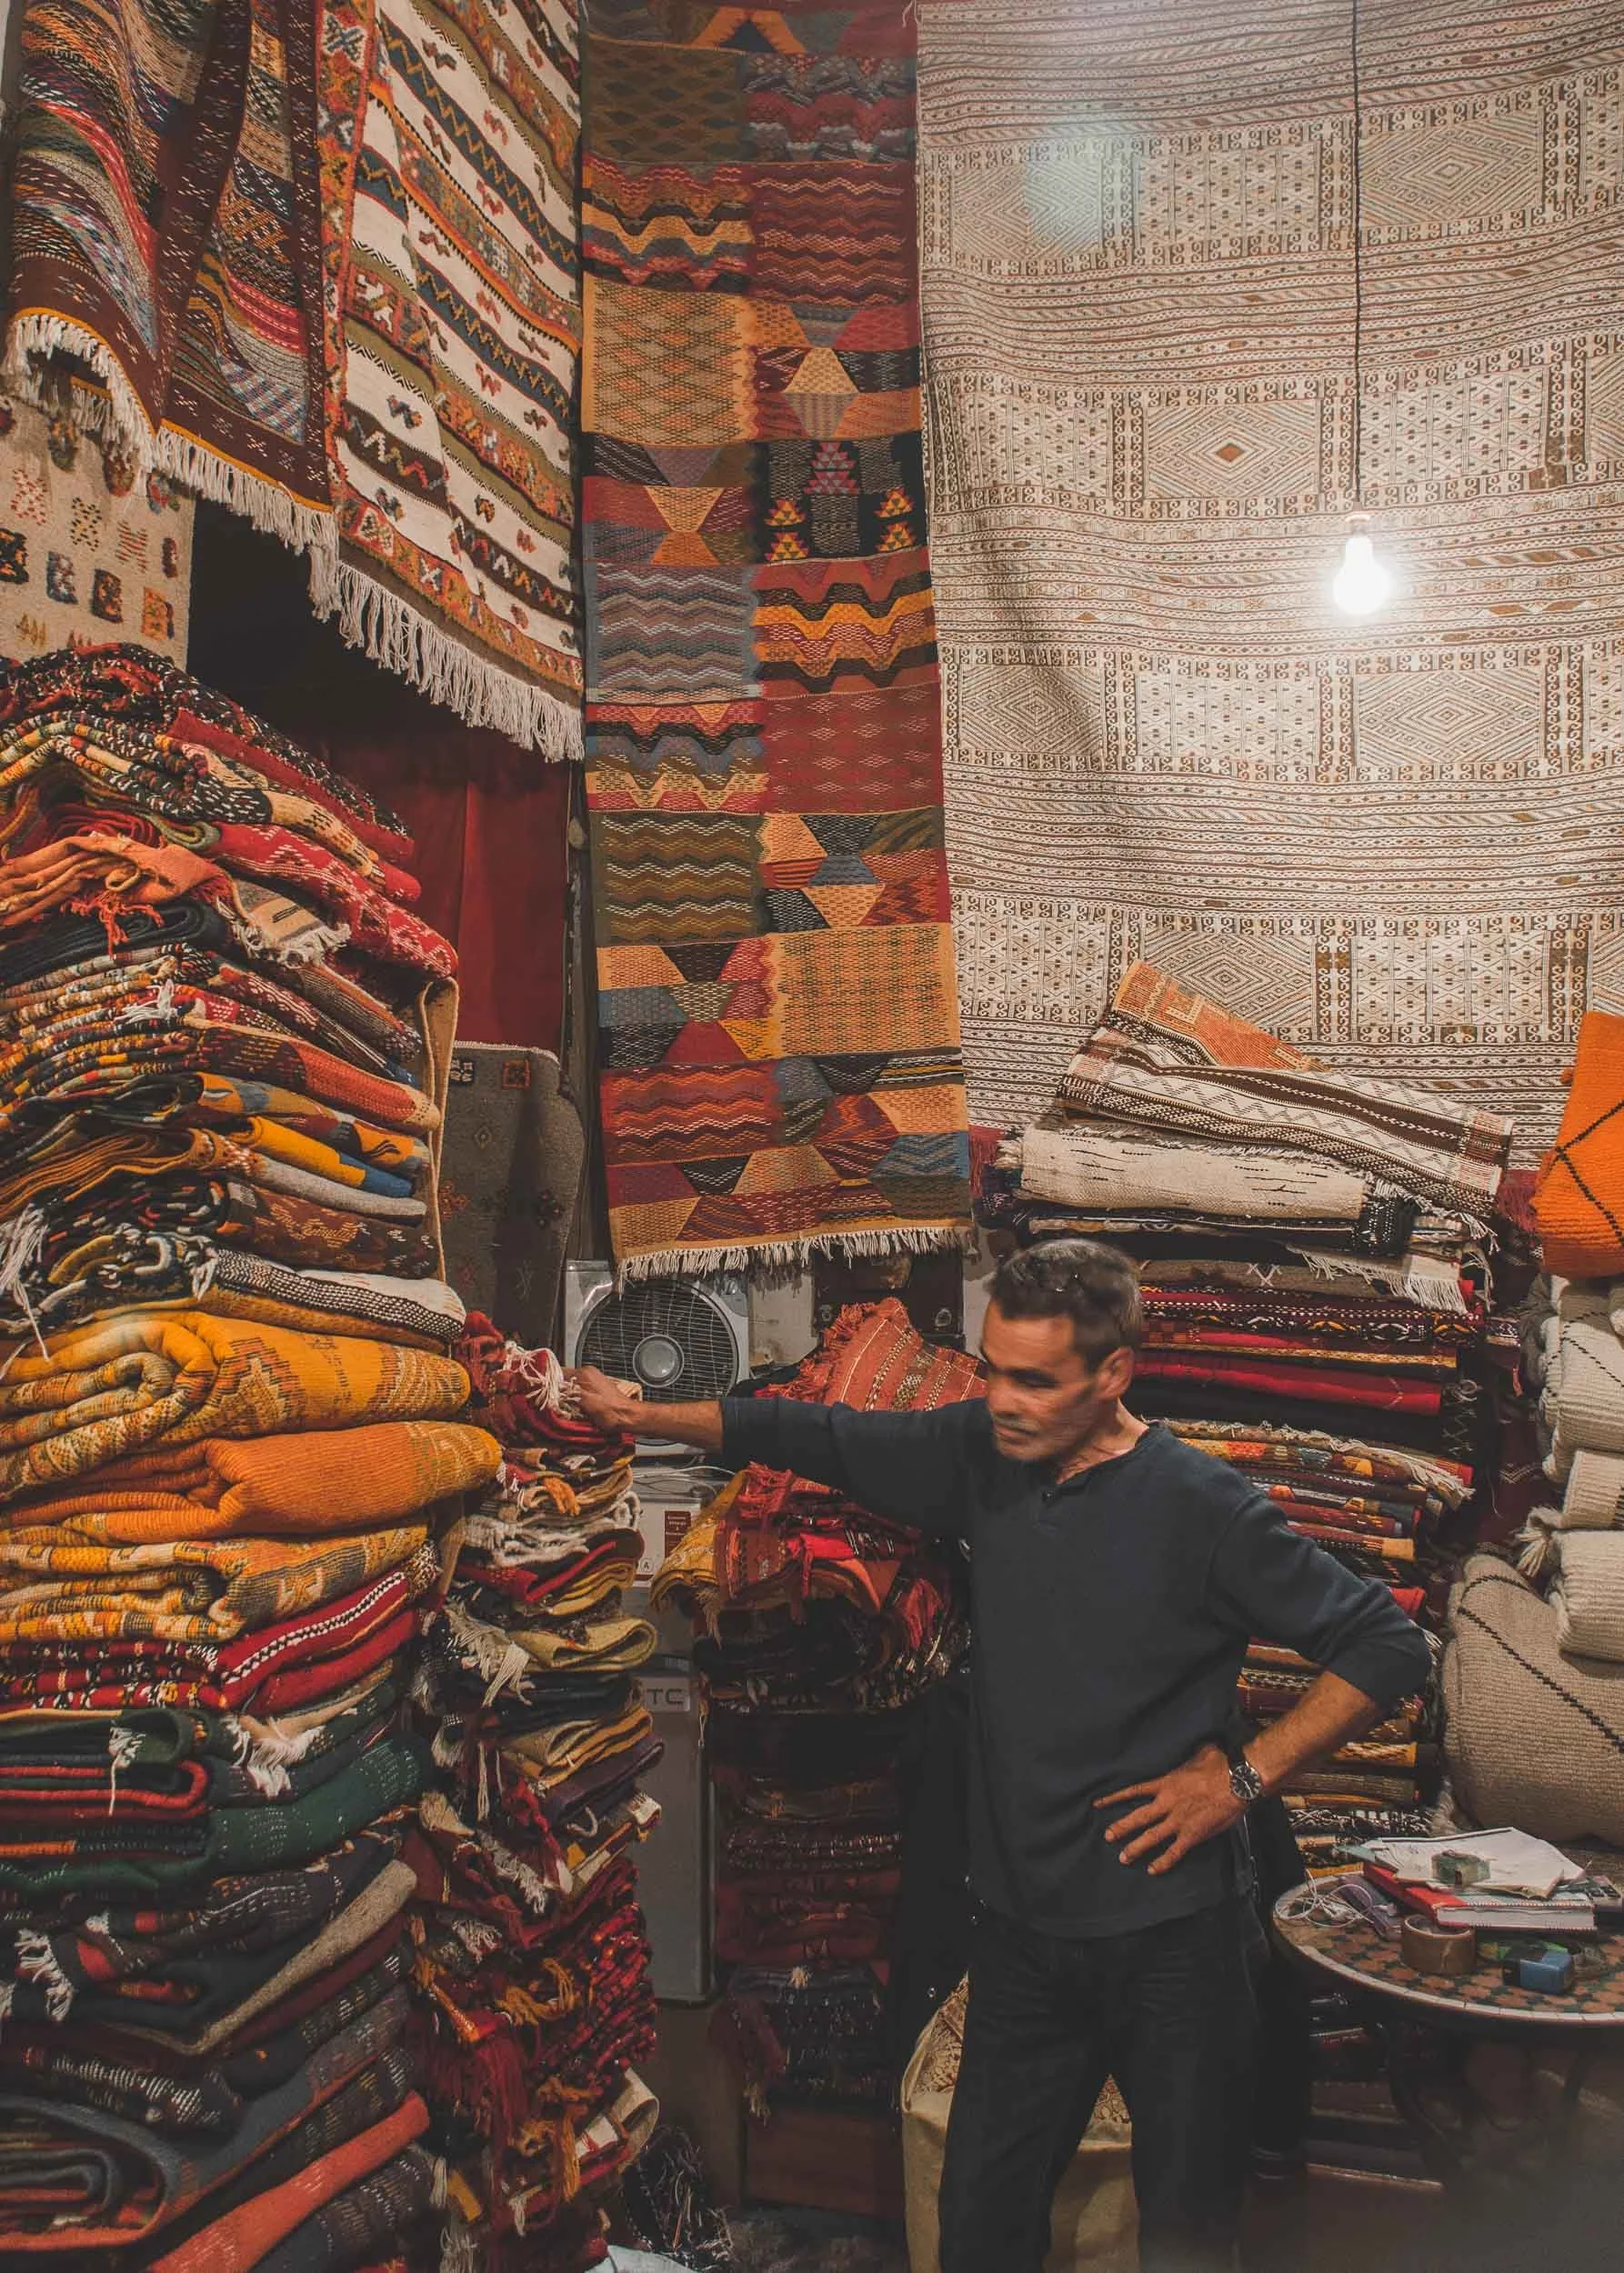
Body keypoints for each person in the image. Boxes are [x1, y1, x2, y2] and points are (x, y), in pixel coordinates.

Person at [571, 1239, 1430, 2273]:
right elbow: (821, 1434)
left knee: (1188, 2235)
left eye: (1034, 1380)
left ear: (1113, 1372)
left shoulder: (1201, 1506)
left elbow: (1385, 1645)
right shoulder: (984, 1452)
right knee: (978, 2227)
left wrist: (1239, 1780)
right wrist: (645, 1416)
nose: (1004, 1400)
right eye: (992, 1370)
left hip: (1173, 1948)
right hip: (1025, 1944)